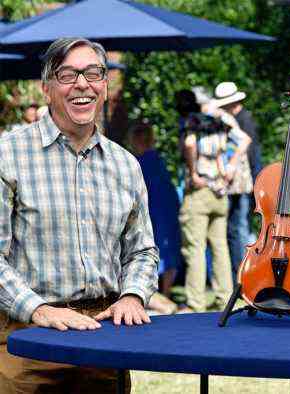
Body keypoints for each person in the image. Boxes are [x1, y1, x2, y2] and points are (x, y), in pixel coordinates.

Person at [0, 38, 159, 393]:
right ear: (46, 88)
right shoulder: (7, 156)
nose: (82, 84)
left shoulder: (125, 164)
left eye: (93, 73)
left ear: (104, 86)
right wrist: (38, 309)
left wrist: (133, 295)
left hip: (104, 339)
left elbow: (142, 250)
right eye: (68, 74)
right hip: (27, 339)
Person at [175, 89, 248, 312]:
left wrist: (193, 170)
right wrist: (231, 166)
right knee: (220, 246)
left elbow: (189, 144)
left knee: (195, 248)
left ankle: (195, 303)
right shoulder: (224, 118)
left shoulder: (192, 120)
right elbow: (245, 140)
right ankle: (225, 298)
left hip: (199, 190)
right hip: (220, 190)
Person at [129, 122, 181, 315]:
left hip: (152, 211)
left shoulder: (138, 162)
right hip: (167, 209)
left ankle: (154, 294)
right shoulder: (158, 160)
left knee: (151, 248)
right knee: (169, 249)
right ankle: (165, 293)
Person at [212, 82, 257, 276]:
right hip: (238, 182)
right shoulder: (236, 118)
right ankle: (238, 272)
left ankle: (242, 273)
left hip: (241, 182)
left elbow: (251, 152)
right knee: (236, 228)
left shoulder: (242, 120)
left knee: (239, 228)